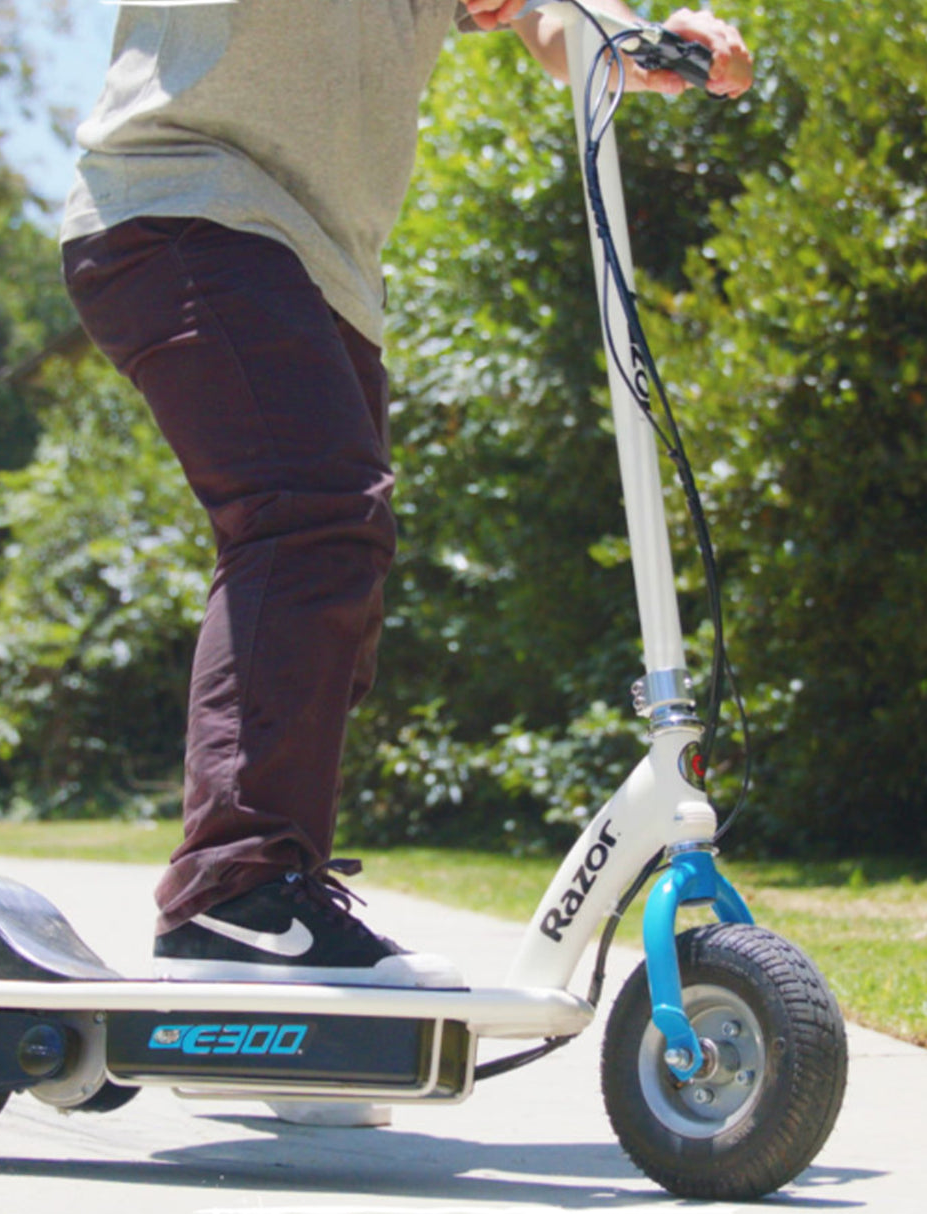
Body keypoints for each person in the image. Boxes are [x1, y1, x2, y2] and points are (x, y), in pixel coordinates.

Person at [61, 2, 753, 994]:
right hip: (179, 200)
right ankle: (233, 892)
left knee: (334, 548)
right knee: (310, 513)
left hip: (320, 265)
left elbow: (559, 30)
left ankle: (272, 920)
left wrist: (650, 38)